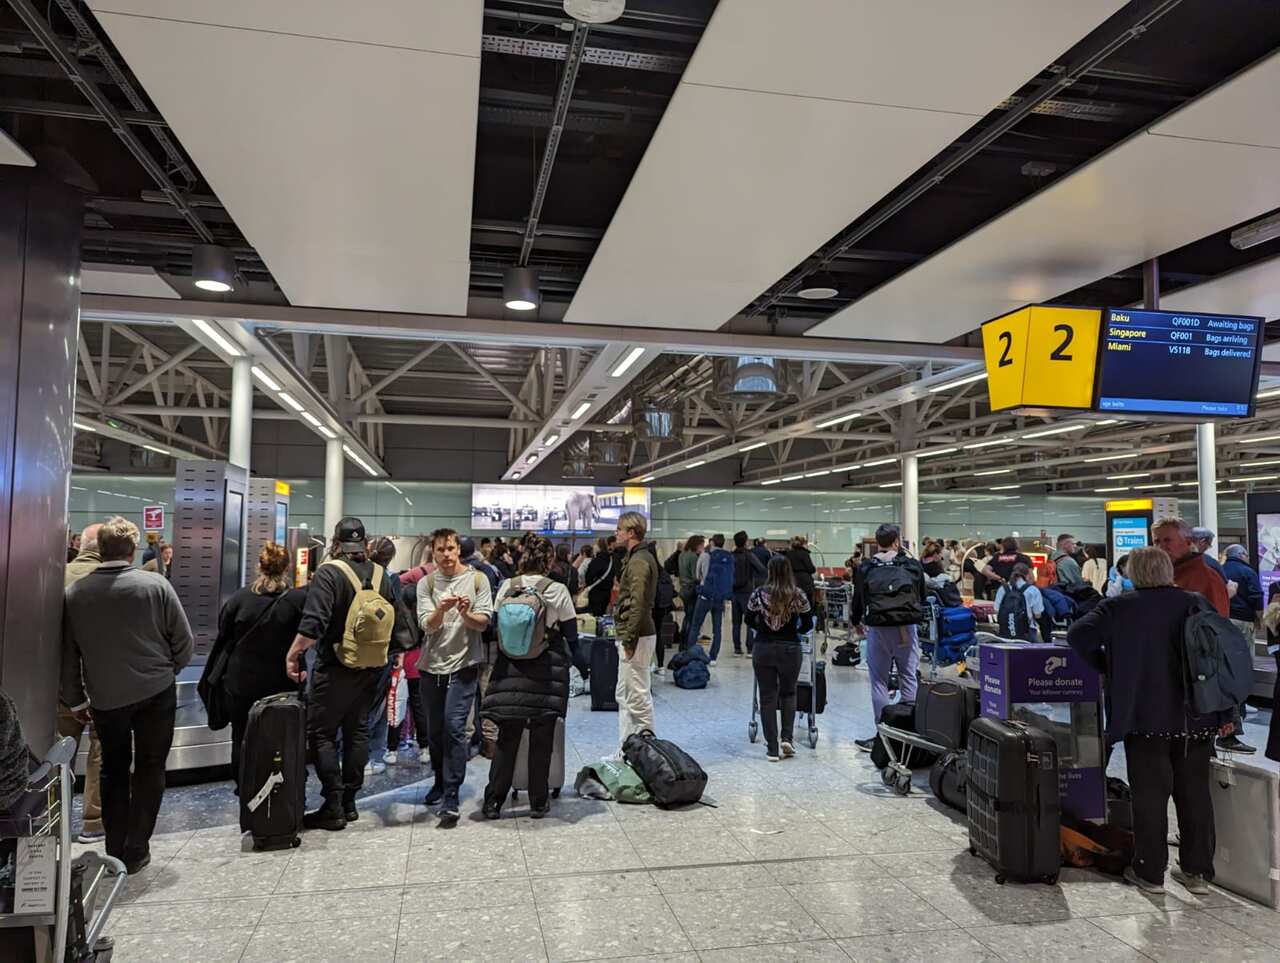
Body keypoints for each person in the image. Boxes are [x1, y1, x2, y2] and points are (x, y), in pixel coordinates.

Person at [1067, 547, 1232, 896]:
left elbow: (1078, 636)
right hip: (1196, 715)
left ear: (1134, 574)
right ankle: (1198, 872)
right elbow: (1218, 656)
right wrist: (1226, 713)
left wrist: (1107, 666)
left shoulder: (1120, 607)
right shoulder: (1195, 603)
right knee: (1194, 795)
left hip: (1144, 715)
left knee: (1150, 796)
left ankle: (1150, 871)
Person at [61, 516, 193, 873]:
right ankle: (138, 847)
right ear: (133, 549)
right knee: (150, 767)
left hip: (106, 698)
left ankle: (116, 847)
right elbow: (184, 642)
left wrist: (77, 699)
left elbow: (68, 654)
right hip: (156, 693)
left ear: (97, 549)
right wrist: (169, 670)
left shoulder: (76, 594)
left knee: (113, 770)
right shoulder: (155, 586)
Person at [285, 517, 412, 831]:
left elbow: (313, 624)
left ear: (336, 543)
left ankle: (333, 803)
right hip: (372, 667)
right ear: (364, 544)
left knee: (323, 734)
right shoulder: (383, 575)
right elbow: (401, 626)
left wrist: (293, 653)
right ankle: (351, 802)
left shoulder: (330, 572)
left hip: (335, 666)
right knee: (358, 731)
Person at [481, 536, 576, 819]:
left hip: (510, 671)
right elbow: (571, 634)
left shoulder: (507, 587)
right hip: (545, 672)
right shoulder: (557, 590)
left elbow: (495, 627)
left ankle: (493, 801)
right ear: (549, 560)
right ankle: (537, 801)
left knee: (507, 738)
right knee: (541, 737)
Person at [214, 543, 307, 796]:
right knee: (282, 737)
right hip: (282, 682)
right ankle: (282, 788)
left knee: (241, 736)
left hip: (241, 681)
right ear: (288, 567)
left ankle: (245, 787)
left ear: (259, 566)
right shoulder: (298, 600)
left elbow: (224, 632)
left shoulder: (239, 598)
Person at [415, 528, 494, 824]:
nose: (446, 554)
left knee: (453, 727)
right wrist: (440, 610)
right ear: (433, 553)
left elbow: (484, 622)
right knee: (435, 732)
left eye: (450, 549)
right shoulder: (427, 583)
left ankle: (451, 793)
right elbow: (427, 625)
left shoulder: (478, 579)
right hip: (431, 668)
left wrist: (465, 613)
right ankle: (439, 779)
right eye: (440, 550)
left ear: (458, 550)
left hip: (464, 666)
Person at [1153, 516, 1248, 753]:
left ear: (1187, 541)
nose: (1161, 546)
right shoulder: (1167, 574)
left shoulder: (1204, 577)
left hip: (1194, 683)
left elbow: (1215, 637)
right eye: (1156, 541)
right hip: (1171, 681)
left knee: (1192, 760)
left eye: (1168, 540)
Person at [851, 524, 925, 752]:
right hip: (906, 627)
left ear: (877, 542)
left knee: (880, 682)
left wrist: (856, 622)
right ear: (897, 541)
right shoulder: (911, 565)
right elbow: (921, 595)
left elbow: (859, 598)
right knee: (908, 677)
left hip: (879, 628)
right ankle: (909, 734)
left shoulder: (866, 567)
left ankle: (882, 737)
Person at [60, 523, 105, 843]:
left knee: (57, 754)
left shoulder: (55, 576)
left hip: (58, 683)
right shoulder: (113, 582)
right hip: (103, 682)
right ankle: (94, 821)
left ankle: (50, 824)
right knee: (100, 754)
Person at [746, 556, 814, 761]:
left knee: (767, 697)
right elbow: (809, 622)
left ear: (770, 571)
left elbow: (748, 618)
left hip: (763, 647)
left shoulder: (758, 593)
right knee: (788, 693)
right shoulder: (798, 594)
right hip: (790, 649)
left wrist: (762, 629)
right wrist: (795, 630)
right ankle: (787, 738)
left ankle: (772, 749)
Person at [613, 511, 658, 749]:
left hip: (637, 635)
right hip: (635, 633)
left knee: (637, 696)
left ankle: (645, 751)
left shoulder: (639, 561)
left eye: (619, 529)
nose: (616, 533)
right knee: (626, 694)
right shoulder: (637, 557)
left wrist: (629, 639)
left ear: (631, 532)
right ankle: (626, 749)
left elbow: (638, 602)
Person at [365, 537, 403, 774]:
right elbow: (396, 616)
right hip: (384, 649)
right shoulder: (392, 580)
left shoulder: (356, 575)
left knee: (357, 705)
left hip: (356, 649)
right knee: (377, 706)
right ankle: (373, 756)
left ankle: (351, 754)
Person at [688, 533, 732, 662]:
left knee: (696, 625)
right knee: (717, 629)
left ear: (712, 543)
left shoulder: (705, 555)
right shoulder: (727, 557)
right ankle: (713, 657)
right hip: (719, 598)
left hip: (705, 596)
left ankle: (691, 654)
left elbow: (697, 575)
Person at [730, 530, 767, 657]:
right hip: (747, 592)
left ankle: (737, 649)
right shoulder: (749, 555)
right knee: (750, 620)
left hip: (734, 592)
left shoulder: (731, 555)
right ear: (745, 542)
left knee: (736, 623)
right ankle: (750, 649)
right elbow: (761, 569)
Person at [993, 562, 1046, 642]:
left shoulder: (1003, 588)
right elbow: (1038, 614)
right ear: (1027, 575)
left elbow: (996, 610)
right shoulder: (1033, 590)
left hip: (1005, 631)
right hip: (1027, 632)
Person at [1223, 544, 1263, 642]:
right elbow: (1256, 597)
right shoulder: (1248, 571)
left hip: (1223, 618)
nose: (1247, 558)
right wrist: (1259, 618)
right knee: (1245, 653)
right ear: (1241, 555)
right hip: (1243, 619)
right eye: (1246, 556)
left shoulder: (1219, 570)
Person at [677, 535, 705, 644]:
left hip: (683, 589)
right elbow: (696, 576)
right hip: (691, 589)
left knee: (687, 616)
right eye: (701, 545)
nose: (702, 547)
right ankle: (688, 642)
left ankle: (682, 641)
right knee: (692, 618)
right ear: (696, 545)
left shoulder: (682, 555)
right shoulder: (693, 557)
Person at [582, 536, 616, 618]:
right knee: (603, 615)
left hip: (595, 594)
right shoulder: (611, 560)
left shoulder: (596, 561)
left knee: (594, 617)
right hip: (607, 594)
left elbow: (589, 578)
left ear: (598, 547)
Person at [786, 535, 817, 609]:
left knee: (792, 606)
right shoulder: (804, 554)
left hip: (792, 582)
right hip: (805, 583)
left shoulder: (788, 554)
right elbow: (811, 569)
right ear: (803, 544)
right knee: (807, 606)